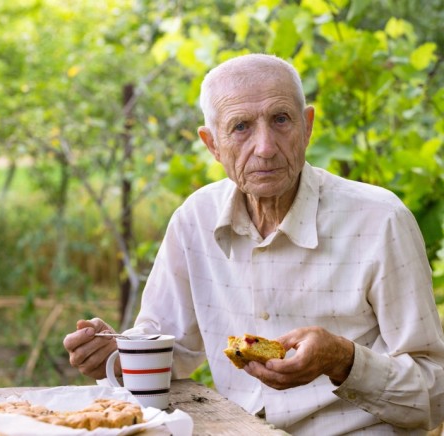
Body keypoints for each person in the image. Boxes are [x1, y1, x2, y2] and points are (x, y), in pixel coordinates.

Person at [63, 53, 444, 434]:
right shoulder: (195, 218)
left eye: (281, 120)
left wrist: (344, 360)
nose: (265, 147)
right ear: (212, 144)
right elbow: (168, 349)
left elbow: (437, 392)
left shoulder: (379, 220)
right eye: (241, 127)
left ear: (307, 126)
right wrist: (115, 354)